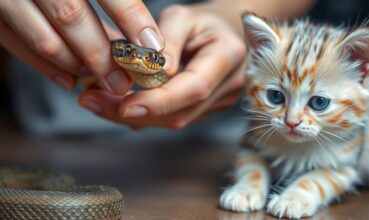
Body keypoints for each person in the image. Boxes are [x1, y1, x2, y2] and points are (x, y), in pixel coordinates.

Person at [0, 0, 314, 131]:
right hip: (43, 116)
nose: (135, 57)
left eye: (146, 57)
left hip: (232, 137)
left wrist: (233, 19)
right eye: (128, 53)